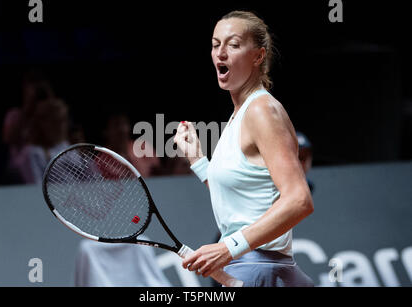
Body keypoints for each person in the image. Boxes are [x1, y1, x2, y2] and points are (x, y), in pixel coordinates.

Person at [174, 11, 314, 287]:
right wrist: (199, 161)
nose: (221, 53)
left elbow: (299, 201)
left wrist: (228, 248)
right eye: (216, 44)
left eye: (233, 44)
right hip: (250, 268)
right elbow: (244, 200)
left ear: (258, 56)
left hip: (261, 268)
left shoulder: (262, 111)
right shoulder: (240, 115)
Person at [16, 97, 70, 184]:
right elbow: (36, 188)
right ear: (41, 123)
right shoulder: (32, 153)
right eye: (55, 121)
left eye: (64, 120)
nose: (61, 126)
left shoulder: (68, 146)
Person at [103, 113, 161, 178]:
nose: (121, 129)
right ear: (106, 131)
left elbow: (160, 174)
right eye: (116, 125)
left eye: (124, 124)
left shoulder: (143, 147)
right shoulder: (101, 159)